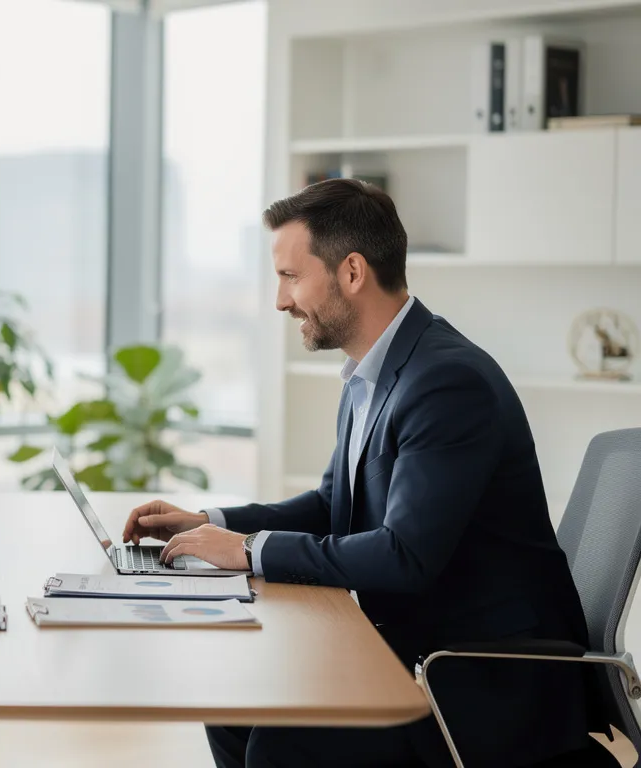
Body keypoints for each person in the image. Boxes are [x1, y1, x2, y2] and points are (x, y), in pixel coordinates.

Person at [122, 178, 606, 767]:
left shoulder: (447, 383)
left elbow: (403, 556)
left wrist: (248, 550)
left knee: (282, 744)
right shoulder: (370, 374)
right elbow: (334, 504)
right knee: (234, 707)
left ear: (351, 272)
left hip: (481, 681)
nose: (280, 301)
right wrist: (207, 525)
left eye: (291, 277)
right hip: (410, 649)